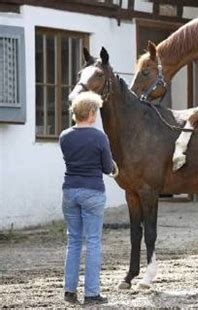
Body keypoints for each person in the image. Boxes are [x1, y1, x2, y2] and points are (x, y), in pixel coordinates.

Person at [59, 91, 115, 305]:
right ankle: (92, 294)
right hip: (92, 191)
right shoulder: (99, 137)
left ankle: (69, 291)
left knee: (73, 241)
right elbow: (108, 168)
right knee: (92, 242)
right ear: (91, 112)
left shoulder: (65, 136)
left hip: (70, 190)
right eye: (96, 111)